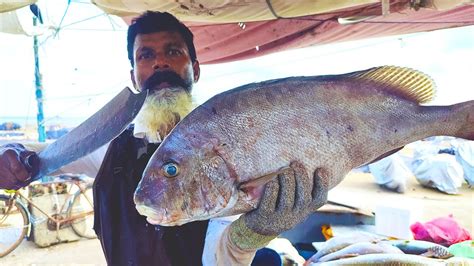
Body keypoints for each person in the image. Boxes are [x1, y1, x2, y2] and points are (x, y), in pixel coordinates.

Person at [0, 11, 328, 265]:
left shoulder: (231, 146)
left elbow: (220, 257)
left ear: (195, 70)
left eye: (173, 51)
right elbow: (42, 154)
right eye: (146, 56)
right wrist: (12, 154)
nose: (160, 62)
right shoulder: (110, 147)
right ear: (134, 75)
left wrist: (248, 235)